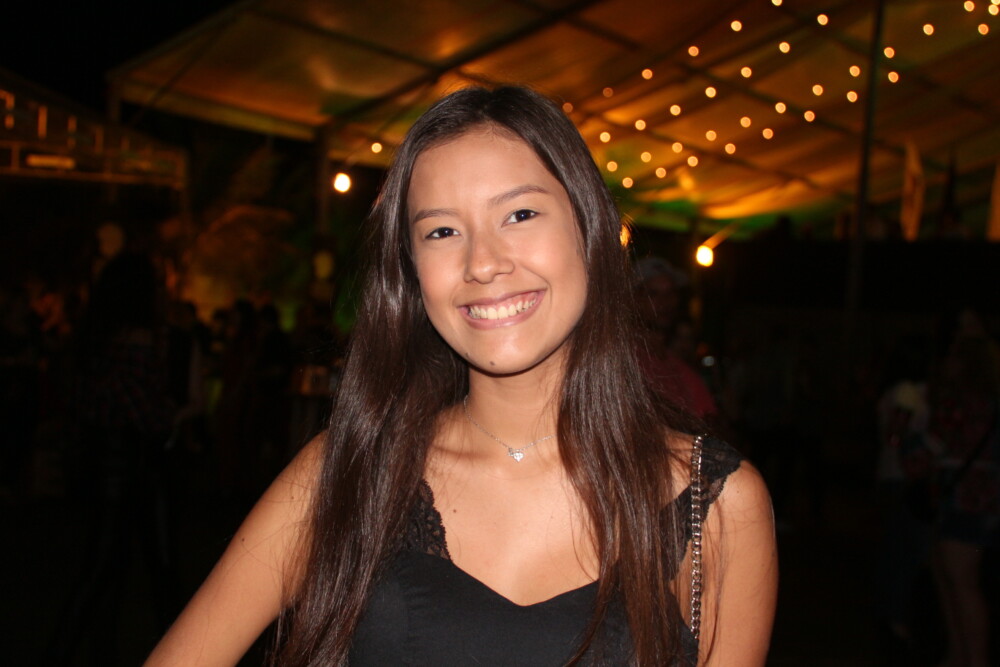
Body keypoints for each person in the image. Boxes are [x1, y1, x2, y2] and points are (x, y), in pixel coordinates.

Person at [146, 86, 776, 666]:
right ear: (412, 271)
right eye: (443, 231)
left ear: (588, 227)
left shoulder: (717, 505)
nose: (483, 263)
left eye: (520, 215)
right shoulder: (349, 472)